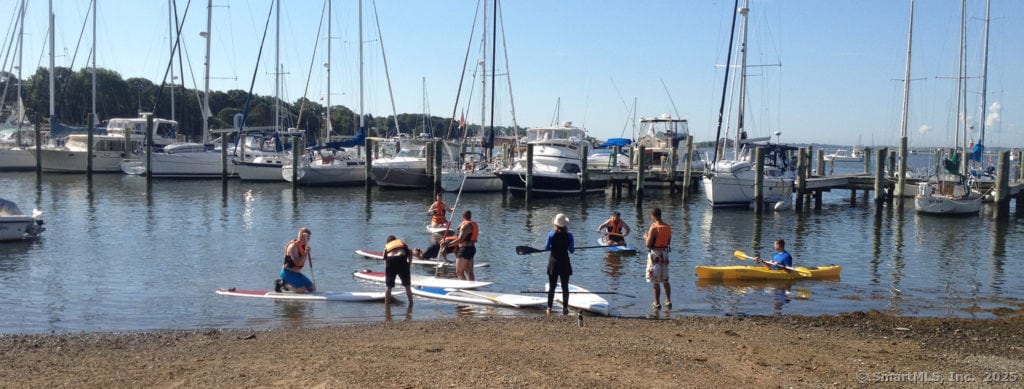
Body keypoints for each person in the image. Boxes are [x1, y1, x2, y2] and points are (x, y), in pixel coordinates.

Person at [545, 213, 575, 315]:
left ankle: (549, 307)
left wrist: (552, 247)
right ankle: (565, 308)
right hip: (565, 263)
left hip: (553, 262)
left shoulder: (551, 234)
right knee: (565, 287)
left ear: (556, 224)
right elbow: (571, 251)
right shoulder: (569, 236)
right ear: (565, 225)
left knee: (552, 287)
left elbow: (547, 247)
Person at [643, 208, 671, 310]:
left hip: (655, 255)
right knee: (665, 280)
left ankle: (657, 303)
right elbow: (668, 242)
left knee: (655, 281)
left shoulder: (654, 228)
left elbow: (648, 244)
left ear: (653, 216)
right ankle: (668, 301)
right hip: (664, 254)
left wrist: (646, 237)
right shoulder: (668, 227)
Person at [275, 227, 316, 293]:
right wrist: (306, 253)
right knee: (301, 290)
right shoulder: (293, 247)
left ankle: (292, 285)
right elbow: (297, 263)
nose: (309, 239)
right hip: (287, 272)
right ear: (302, 236)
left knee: (312, 288)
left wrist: (308, 254)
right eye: (308, 237)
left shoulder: (304, 246)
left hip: (296, 272)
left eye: (309, 237)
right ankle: (282, 283)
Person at [383, 235, 414, 305]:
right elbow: (410, 252)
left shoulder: (387, 246)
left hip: (390, 261)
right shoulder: (401, 243)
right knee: (407, 286)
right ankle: (411, 304)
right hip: (401, 259)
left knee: (388, 287)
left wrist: (387, 270)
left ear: (388, 242)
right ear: (395, 240)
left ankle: (387, 306)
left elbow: (385, 260)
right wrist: (409, 264)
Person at [447, 210, 477, 280]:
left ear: (463, 217)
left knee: (459, 272)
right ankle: (471, 287)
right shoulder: (473, 224)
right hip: (472, 248)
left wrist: (448, 245)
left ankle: (463, 288)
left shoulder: (465, 226)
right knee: (469, 271)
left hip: (464, 250)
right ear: (470, 216)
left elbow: (460, 239)